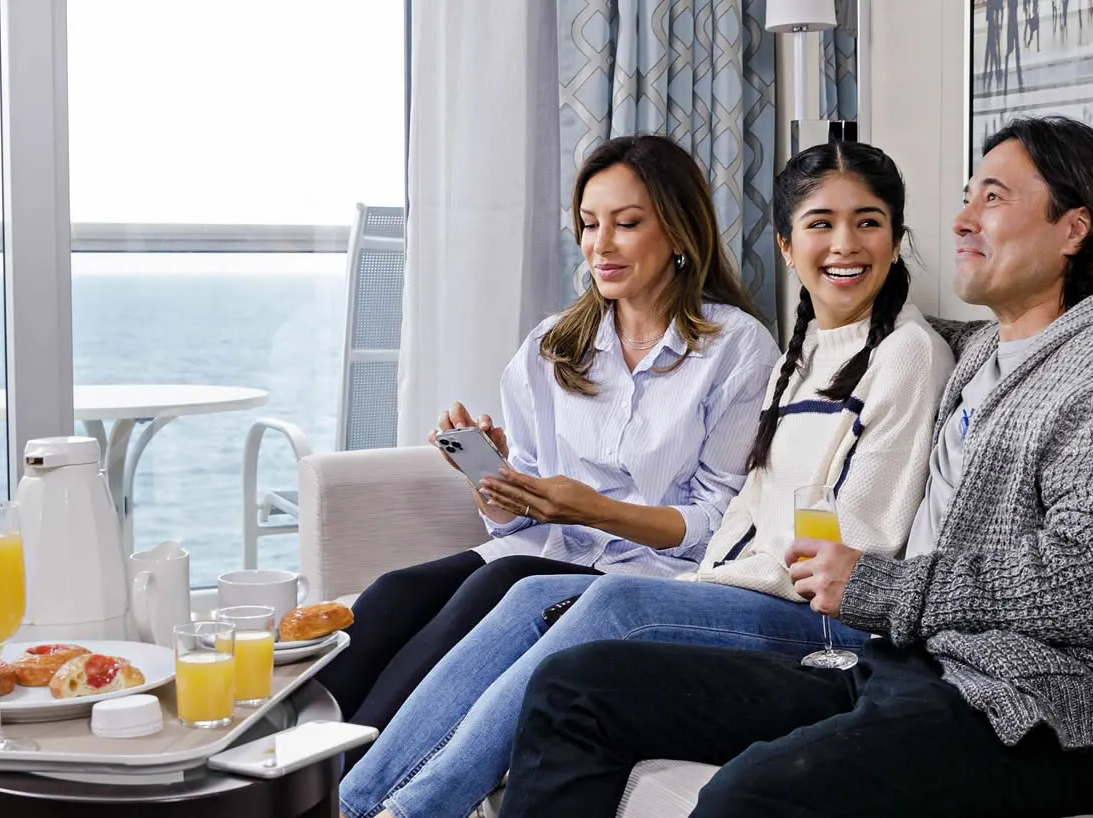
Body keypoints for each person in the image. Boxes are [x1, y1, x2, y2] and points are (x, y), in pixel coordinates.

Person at [497, 115, 1093, 818]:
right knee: (578, 688)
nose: (963, 219)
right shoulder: (980, 355)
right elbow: (855, 343)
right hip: (912, 667)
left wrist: (878, 584)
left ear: (1074, 228)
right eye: (967, 196)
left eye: (992, 198)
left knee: (753, 794)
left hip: (1047, 710)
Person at [337, 141, 955, 818]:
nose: (845, 243)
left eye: (868, 222)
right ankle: (353, 801)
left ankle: (414, 809)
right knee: (524, 593)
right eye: (820, 224)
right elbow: (752, 506)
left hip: (821, 618)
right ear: (785, 244)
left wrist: (703, 575)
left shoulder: (907, 355)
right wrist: (502, 484)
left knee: (612, 604)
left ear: (896, 240)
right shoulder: (802, 354)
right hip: (732, 585)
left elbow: (859, 540)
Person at [316, 134, 780, 742]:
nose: (600, 245)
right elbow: (517, 529)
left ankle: (354, 776)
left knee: (497, 584)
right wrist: (495, 482)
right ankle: (279, 770)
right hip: (543, 554)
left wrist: (595, 509)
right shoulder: (553, 345)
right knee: (395, 592)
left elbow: (723, 524)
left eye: (627, 223)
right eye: (589, 224)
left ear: (678, 231)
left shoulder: (737, 348)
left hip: (645, 579)